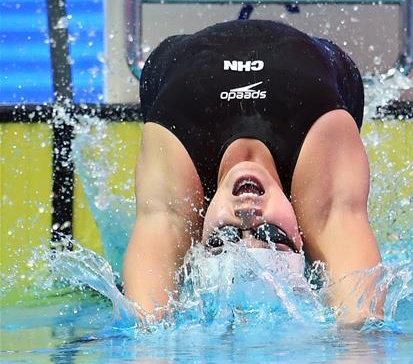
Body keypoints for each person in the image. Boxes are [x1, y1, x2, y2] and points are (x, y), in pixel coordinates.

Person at [122, 19, 382, 324]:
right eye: (270, 234)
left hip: (174, 60)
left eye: (225, 237)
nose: (248, 213)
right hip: (325, 65)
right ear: (299, 239)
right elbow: (362, 330)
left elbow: (146, 333)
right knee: (332, 218)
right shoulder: (322, 138)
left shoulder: (173, 146)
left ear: (201, 241)